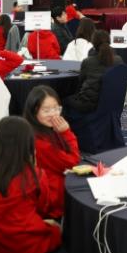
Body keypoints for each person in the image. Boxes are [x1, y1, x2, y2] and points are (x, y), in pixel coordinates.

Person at [0, 116, 62, 253]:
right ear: (28, 145)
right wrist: (34, 167)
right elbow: (43, 208)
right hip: (26, 245)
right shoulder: (35, 175)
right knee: (57, 231)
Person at [23, 85, 80, 219]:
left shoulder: (39, 129)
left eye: (56, 108)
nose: (53, 114)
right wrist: (66, 133)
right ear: (34, 111)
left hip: (46, 186)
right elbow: (72, 162)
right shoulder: (39, 141)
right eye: (46, 110)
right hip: (51, 199)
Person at [64, 30, 123, 114]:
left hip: (89, 104)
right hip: (112, 101)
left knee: (64, 99)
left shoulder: (88, 61)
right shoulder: (119, 60)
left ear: (93, 43)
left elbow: (80, 81)